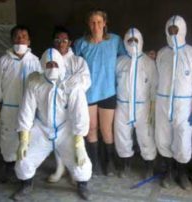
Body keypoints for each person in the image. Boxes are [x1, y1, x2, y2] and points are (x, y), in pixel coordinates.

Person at [12, 48, 92, 201]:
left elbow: (79, 113)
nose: (52, 67)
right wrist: (24, 139)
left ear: (61, 63)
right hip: (42, 129)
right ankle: (26, 184)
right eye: (48, 64)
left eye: (55, 63)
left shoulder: (72, 85)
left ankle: (83, 185)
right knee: (24, 158)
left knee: (80, 160)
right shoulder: (35, 83)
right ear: (42, 65)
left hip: (65, 129)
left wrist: (79, 143)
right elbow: (26, 110)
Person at [155, 15, 192, 189]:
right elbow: (155, 79)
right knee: (163, 139)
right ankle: (168, 172)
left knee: (183, 142)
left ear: (183, 30)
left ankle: (181, 173)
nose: (172, 33)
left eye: (175, 30)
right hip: (162, 105)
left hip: (183, 108)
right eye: (170, 30)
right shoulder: (162, 54)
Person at [74, 9, 126, 176]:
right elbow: (71, 64)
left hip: (108, 91)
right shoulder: (81, 43)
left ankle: (109, 162)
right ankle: (94, 162)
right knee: (91, 128)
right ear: (88, 25)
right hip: (88, 93)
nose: (96, 26)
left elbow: (128, 58)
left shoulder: (115, 40)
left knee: (106, 130)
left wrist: (146, 56)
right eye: (92, 22)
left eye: (99, 22)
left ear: (105, 23)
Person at [0, 25, 42, 182]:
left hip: (29, 110)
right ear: (12, 39)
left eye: (24, 36)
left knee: (27, 141)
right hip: (9, 109)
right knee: (8, 139)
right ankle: (8, 167)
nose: (20, 39)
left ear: (29, 40)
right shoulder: (3, 61)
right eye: (17, 36)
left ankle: (26, 177)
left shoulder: (35, 62)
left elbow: (41, 87)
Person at [47, 26, 91, 183]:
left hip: (73, 107)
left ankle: (74, 170)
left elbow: (85, 81)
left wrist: (65, 85)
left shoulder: (78, 61)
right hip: (55, 108)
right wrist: (71, 82)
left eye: (64, 40)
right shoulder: (48, 61)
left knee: (75, 138)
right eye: (57, 40)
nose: (61, 43)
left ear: (70, 42)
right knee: (57, 139)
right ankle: (60, 168)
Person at [114, 28, 157, 178]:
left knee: (146, 136)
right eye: (129, 40)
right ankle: (126, 166)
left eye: (136, 40)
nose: (132, 43)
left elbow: (154, 85)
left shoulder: (148, 62)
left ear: (141, 41)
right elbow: (113, 83)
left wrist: (152, 107)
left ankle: (149, 167)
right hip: (123, 106)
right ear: (125, 42)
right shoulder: (119, 62)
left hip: (142, 107)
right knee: (122, 137)